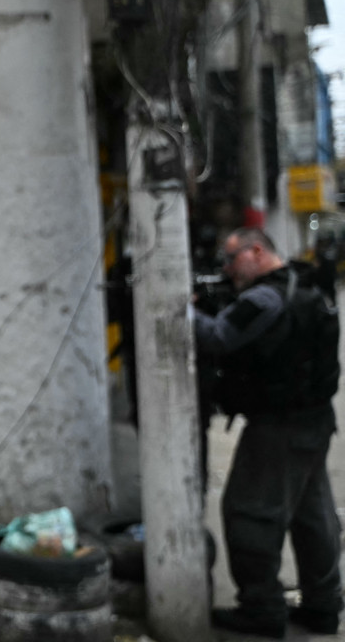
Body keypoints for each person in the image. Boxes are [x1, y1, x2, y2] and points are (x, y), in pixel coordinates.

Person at [193, 227, 342, 638]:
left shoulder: (265, 296)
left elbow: (218, 336)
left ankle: (261, 608)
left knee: (249, 512)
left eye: (231, 258)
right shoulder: (306, 283)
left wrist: (177, 307)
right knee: (313, 517)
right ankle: (323, 605)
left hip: (280, 426)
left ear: (256, 251)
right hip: (314, 420)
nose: (227, 269)